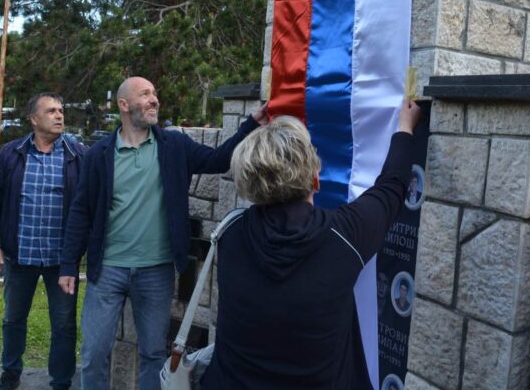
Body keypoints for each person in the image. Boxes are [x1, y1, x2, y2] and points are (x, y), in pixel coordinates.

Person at [58, 76, 267, 390]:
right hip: (108, 270)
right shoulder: (100, 154)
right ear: (124, 105)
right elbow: (81, 210)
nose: (154, 99)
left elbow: (218, 160)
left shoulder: (174, 146)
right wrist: (68, 264)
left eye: (155, 93)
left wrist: (250, 124)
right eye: (145, 94)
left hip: (155, 271)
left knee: (154, 354)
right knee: (93, 353)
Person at [202, 100, 420, 389]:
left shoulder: (230, 233)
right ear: (315, 179)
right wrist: (405, 127)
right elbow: (391, 187)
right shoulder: (344, 236)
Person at [0, 93, 86, 390]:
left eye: (61, 110)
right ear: (34, 119)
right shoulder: (12, 154)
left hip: (61, 262)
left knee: (64, 325)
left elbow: (88, 207)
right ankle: (11, 372)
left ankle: (61, 381)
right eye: (51, 111)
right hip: (19, 255)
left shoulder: (77, 155)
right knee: (13, 318)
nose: (59, 116)